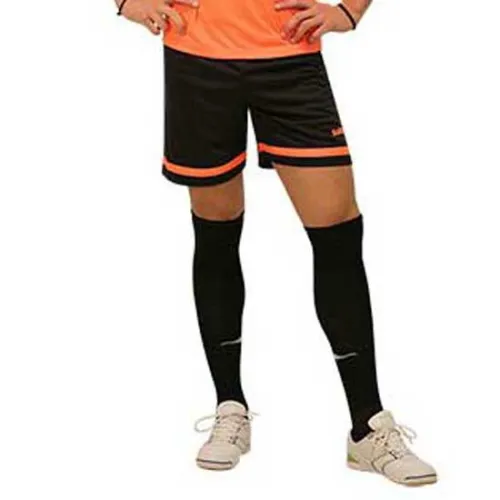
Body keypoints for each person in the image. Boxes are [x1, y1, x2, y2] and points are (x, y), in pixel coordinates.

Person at [116, 0, 437, 486]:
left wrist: (350, 11)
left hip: (289, 54)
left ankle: (368, 428)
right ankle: (230, 406)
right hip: (197, 55)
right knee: (217, 228)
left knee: (336, 230)